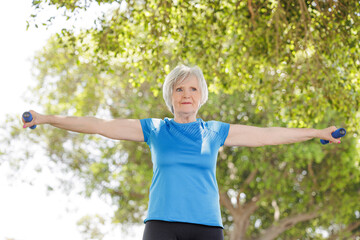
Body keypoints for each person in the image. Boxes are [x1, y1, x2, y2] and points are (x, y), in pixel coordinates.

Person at [22, 65, 342, 240]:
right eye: (179, 89)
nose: (186, 94)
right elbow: (99, 124)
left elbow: (267, 135)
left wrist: (316, 132)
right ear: (170, 97)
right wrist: (47, 118)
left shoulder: (214, 132)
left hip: (207, 227)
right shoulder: (155, 129)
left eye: (192, 89)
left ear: (201, 96)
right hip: (161, 224)